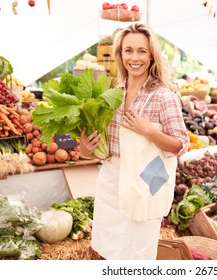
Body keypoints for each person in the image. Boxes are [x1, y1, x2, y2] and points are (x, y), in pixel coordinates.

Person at [79, 23, 189, 259]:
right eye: (128, 50)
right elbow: (101, 149)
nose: (135, 57)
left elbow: (181, 144)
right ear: (120, 55)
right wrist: (86, 150)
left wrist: (149, 131)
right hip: (111, 179)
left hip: (148, 177)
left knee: (138, 253)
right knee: (109, 249)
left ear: (151, 56)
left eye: (142, 51)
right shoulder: (112, 95)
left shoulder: (163, 96)